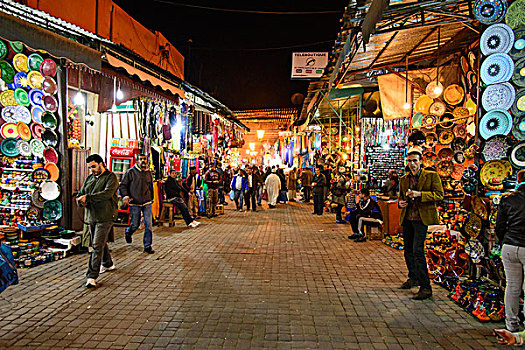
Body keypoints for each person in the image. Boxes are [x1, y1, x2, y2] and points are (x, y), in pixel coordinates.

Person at [397, 148, 444, 300]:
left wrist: (420, 194)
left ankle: (426, 287)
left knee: (418, 251)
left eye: (415, 161)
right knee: (408, 250)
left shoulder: (431, 176)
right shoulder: (404, 179)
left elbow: (439, 195)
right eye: (409, 161)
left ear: (421, 162)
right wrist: (401, 203)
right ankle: (414, 277)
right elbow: (400, 198)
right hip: (408, 218)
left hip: (421, 219)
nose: (412, 164)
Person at [76, 154, 119, 288]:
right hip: (92, 216)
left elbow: (107, 194)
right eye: (90, 167)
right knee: (100, 243)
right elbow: (80, 193)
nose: (92, 170)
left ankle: (91, 276)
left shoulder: (111, 177)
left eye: (94, 166)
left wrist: (87, 198)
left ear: (101, 164)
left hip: (105, 216)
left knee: (96, 245)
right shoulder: (89, 178)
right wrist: (80, 201)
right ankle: (108, 263)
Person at [496, 169, 525, 332]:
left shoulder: (507, 199)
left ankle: (511, 323)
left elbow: (500, 226)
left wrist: (503, 240)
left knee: (512, 286)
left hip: (510, 245)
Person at [119, 153, 155, 254]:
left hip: (147, 202)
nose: (143, 161)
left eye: (144, 159)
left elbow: (150, 186)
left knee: (149, 225)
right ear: (137, 161)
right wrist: (125, 196)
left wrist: (152, 198)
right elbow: (123, 186)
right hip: (134, 203)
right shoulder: (130, 172)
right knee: (135, 224)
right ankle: (129, 232)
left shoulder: (148, 173)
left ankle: (147, 245)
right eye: (141, 159)